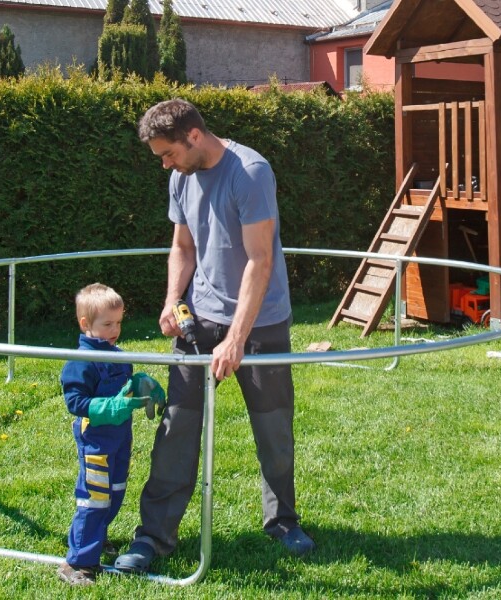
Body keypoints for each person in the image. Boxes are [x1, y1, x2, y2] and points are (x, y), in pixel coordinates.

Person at [114, 98, 312, 574]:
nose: (165, 163)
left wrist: (237, 337)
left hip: (260, 322)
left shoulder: (250, 173)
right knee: (176, 426)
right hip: (198, 321)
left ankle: (283, 521)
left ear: (194, 136)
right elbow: (182, 246)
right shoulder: (179, 178)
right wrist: (170, 299)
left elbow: (259, 260)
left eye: (168, 153)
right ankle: (154, 537)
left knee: (273, 428)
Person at [56, 283, 157, 585]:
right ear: (86, 324)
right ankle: (78, 562)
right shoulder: (81, 361)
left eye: (119, 322)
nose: (116, 329)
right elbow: (75, 402)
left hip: (120, 440)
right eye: (108, 324)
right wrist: (108, 408)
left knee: (114, 493)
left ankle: (96, 538)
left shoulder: (118, 355)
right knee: (94, 499)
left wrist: (144, 385)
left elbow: (125, 389)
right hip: (96, 442)